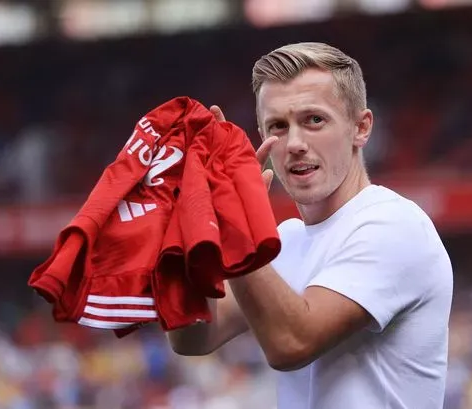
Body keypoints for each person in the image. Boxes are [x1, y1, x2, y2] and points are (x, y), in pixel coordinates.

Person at [167, 42, 454, 409]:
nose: (295, 144)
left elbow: (291, 343)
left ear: (360, 128)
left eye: (313, 120)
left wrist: (234, 224)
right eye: (278, 127)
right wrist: (186, 225)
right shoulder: (283, 240)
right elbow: (194, 337)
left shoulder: (393, 224)